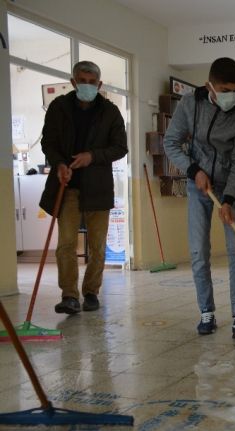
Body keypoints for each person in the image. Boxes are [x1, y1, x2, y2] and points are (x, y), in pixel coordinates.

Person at [163, 57, 235, 338]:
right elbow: (171, 143)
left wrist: (228, 199)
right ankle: (207, 312)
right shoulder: (189, 105)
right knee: (198, 251)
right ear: (210, 86)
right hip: (199, 186)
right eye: (225, 90)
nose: (231, 96)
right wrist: (194, 170)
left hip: (231, 188)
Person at [39, 61, 128, 314]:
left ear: (99, 84)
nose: (87, 85)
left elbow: (120, 147)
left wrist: (92, 156)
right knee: (66, 244)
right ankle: (69, 295)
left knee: (97, 246)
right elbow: (48, 142)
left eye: (92, 82)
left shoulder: (110, 112)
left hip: (98, 187)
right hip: (67, 186)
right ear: (73, 82)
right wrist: (59, 164)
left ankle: (91, 292)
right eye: (82, 81)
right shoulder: (58, 107)